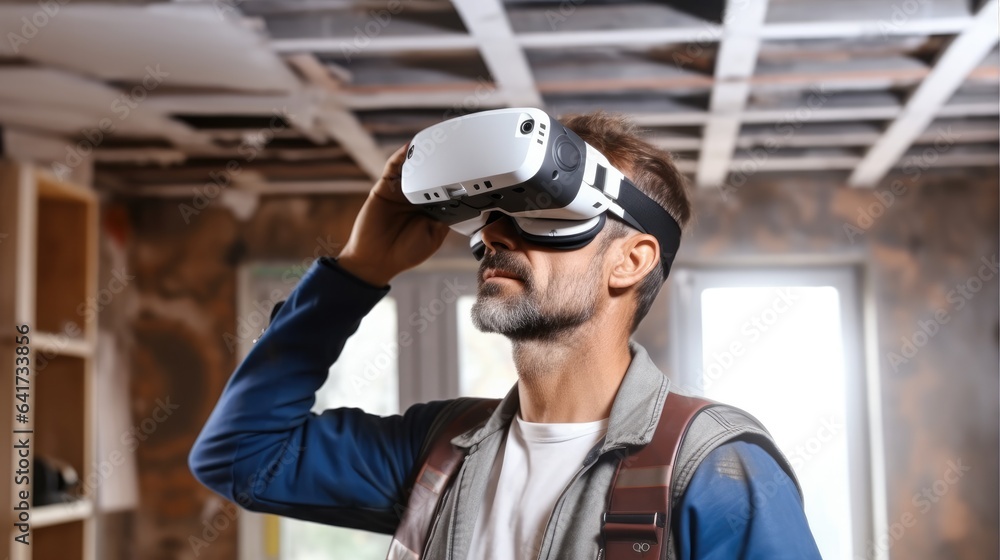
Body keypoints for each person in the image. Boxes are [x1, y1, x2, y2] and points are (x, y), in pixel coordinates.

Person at [189, 112, 822, 559]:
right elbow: (241, 454)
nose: (496, 236)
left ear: (631, 261)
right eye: (493, 216)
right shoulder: (438, 454)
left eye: (546, 211)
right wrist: (357, 271)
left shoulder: (711, 469)